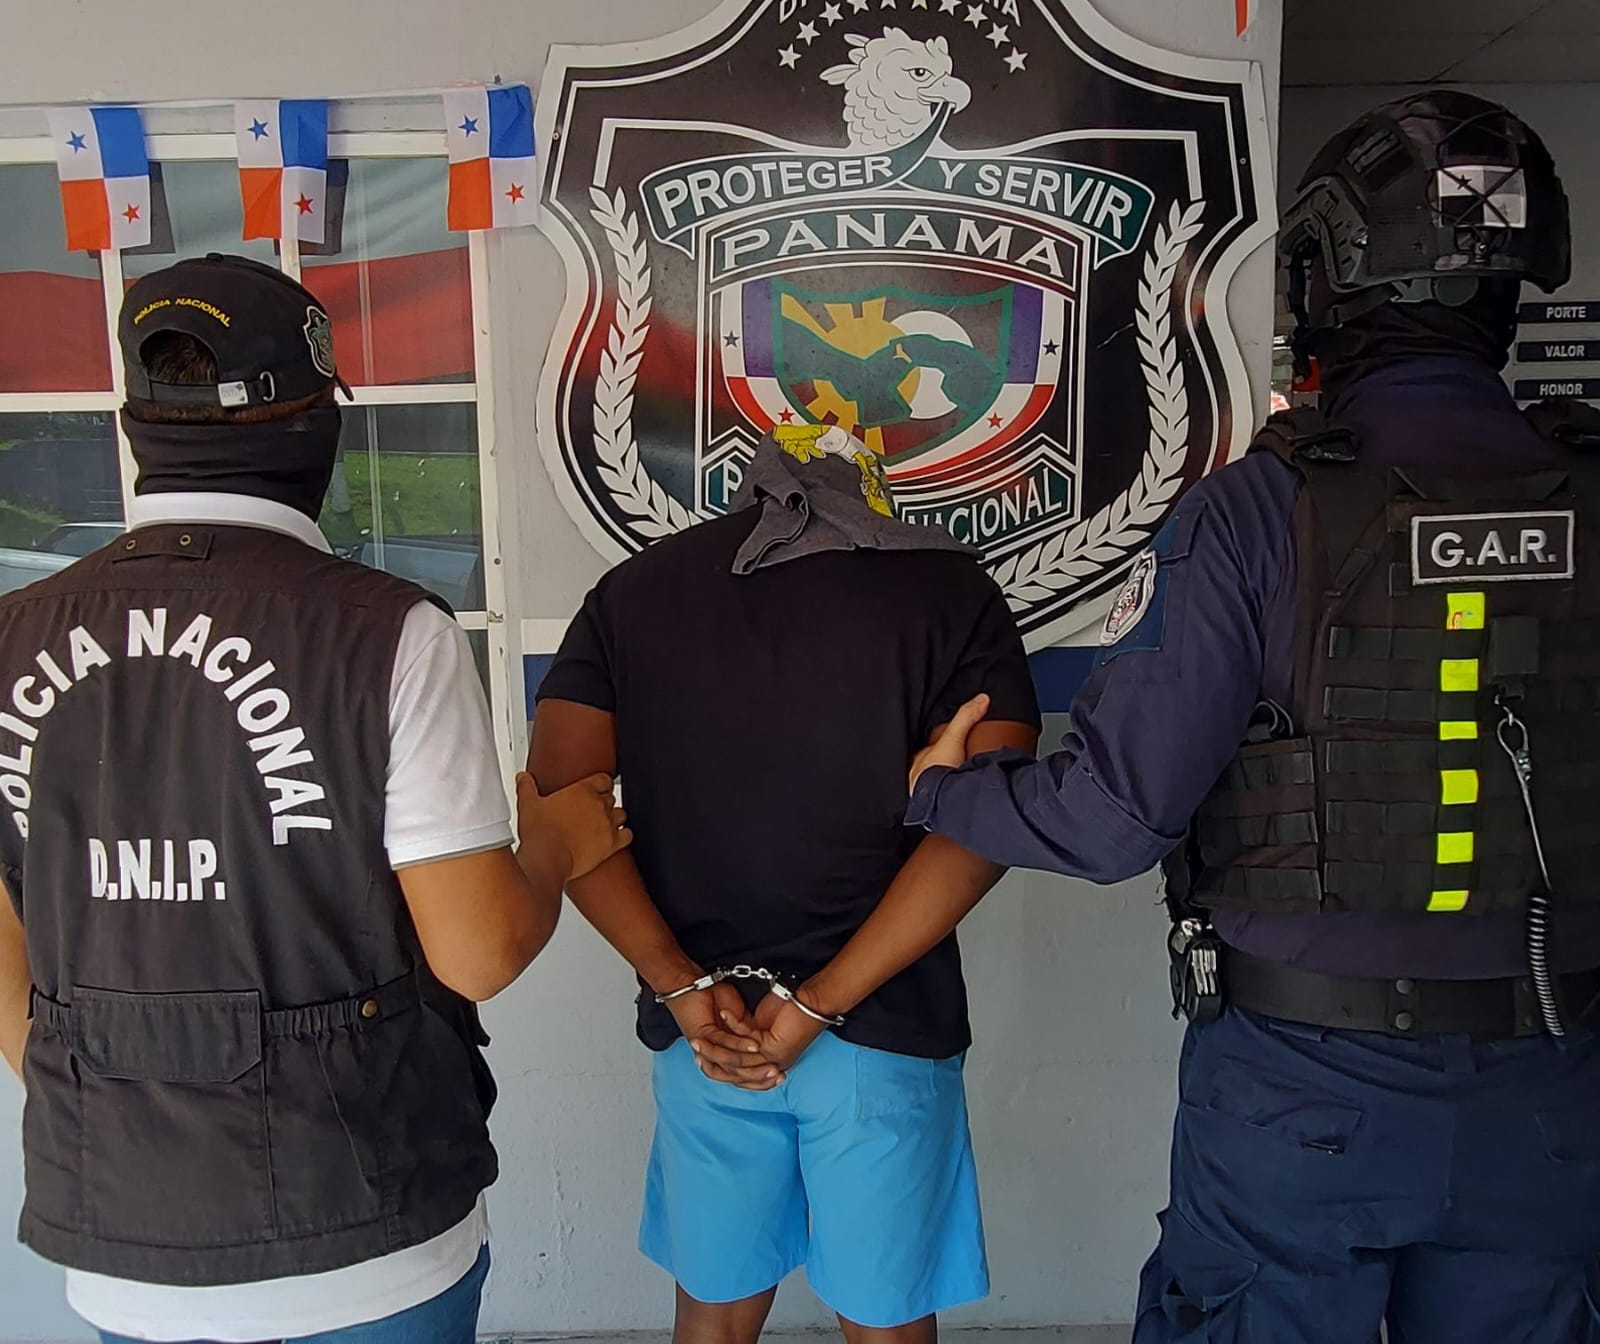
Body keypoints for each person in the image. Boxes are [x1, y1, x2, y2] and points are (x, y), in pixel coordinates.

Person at [908, 91, 1600, 1342]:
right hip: (1554, 1087)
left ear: (1324, 274)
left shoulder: (1257, 511)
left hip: (1306, 1088)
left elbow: (1111, 820)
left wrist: (940, 792)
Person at [0, 254, 630, 1344]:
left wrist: (109, 1085)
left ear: (135, 421)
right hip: (361, 1225)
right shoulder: (387, 633)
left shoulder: (14, 634)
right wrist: (560, 842)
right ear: (312, 419)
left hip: (123, 1228)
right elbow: (477, 952)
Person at [531, 423, 1040, 1344]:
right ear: (876, 500)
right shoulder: (951, 593)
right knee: (885, 1321)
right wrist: (818, 1003)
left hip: (708, 1029)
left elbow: (561, 811)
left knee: (715, 1314)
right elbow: (983, 827)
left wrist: (679, 985)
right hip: (880, 1022)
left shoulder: (633, 593)